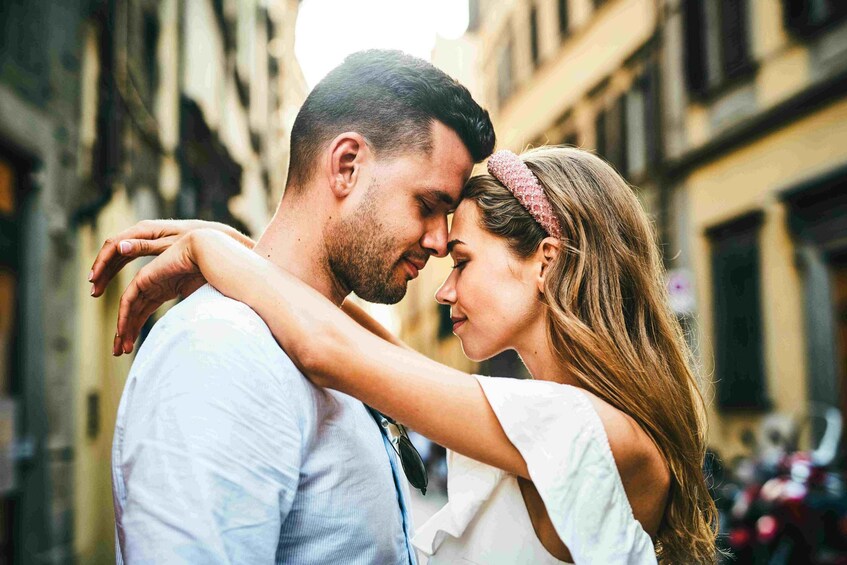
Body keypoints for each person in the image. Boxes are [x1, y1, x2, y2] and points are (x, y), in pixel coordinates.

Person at [94, 146, 719, 563]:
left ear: (546, 263)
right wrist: (246, 255)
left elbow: (328, 348)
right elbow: (372, 348)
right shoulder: (564, 422)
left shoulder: (596, 433)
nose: (444, 289)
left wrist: (212, 251)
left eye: (464, 262)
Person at [90, 49, 496, 563]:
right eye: (428, 205)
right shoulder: (220, 352)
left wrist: (234, 250)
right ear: (347, 166)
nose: (441, 242)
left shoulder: (339, 351)